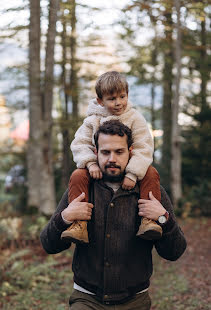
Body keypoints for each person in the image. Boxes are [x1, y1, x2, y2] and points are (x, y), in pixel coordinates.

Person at [40, 120, 187, 310]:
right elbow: (48, 245)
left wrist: (163, 218)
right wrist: (64, 218)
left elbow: (175, 252)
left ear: (131, 152)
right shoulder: (81, 189)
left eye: (119, 152)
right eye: (105, 152)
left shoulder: (150, 191)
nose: (112, 159)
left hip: (136, 300)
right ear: (95, 153)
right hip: (87, 299)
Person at [61, 71, 162, 243]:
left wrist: (132, 173)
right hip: (99, 171)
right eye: (112, 98)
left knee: (151, 173)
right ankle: (78, 224)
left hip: (129, 171)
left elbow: (144, 147)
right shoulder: (93, 120)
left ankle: (149, 220)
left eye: (122, 97)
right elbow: (80, 144)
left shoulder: (134, 118)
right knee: (78, 175)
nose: (118, 103)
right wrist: (91, 164)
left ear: (127, 95)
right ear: (100, 101)